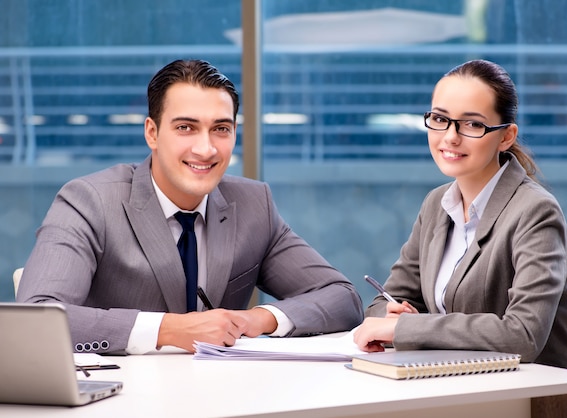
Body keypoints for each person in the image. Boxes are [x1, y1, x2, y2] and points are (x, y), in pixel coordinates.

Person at [17, 59, 363, 355]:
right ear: (152, 133)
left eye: (221, 129)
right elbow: (36, 318)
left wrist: (258, 318)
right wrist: (169, 330)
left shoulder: (254, 204)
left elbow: (342, 298)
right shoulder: (89, 201)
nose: (206, 148)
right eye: (186, 127)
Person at [352, 59, 567, 416]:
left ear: (506, 136)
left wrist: (410, 327)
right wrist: (393, 313)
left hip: (530, 403)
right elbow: (384, 303)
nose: (450, 136)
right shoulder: (437, 203)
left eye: (472, 124)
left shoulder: (535, 211)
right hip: (457, 395)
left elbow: (522, 335)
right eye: (439, 119)